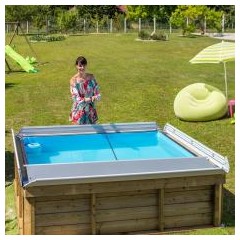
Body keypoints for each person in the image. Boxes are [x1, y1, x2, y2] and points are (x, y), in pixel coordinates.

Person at [69, 56, 101, 124]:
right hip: (78, 113)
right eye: (80, 66)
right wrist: (91, 98)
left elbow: (98, 94)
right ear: (76, 66)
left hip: (91, 112)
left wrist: (96, 97)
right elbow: (77, 99)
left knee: (92, 134)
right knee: (77, 133)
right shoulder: (73, 81)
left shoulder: (91, 77)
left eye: (84, 65)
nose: (82, 68)